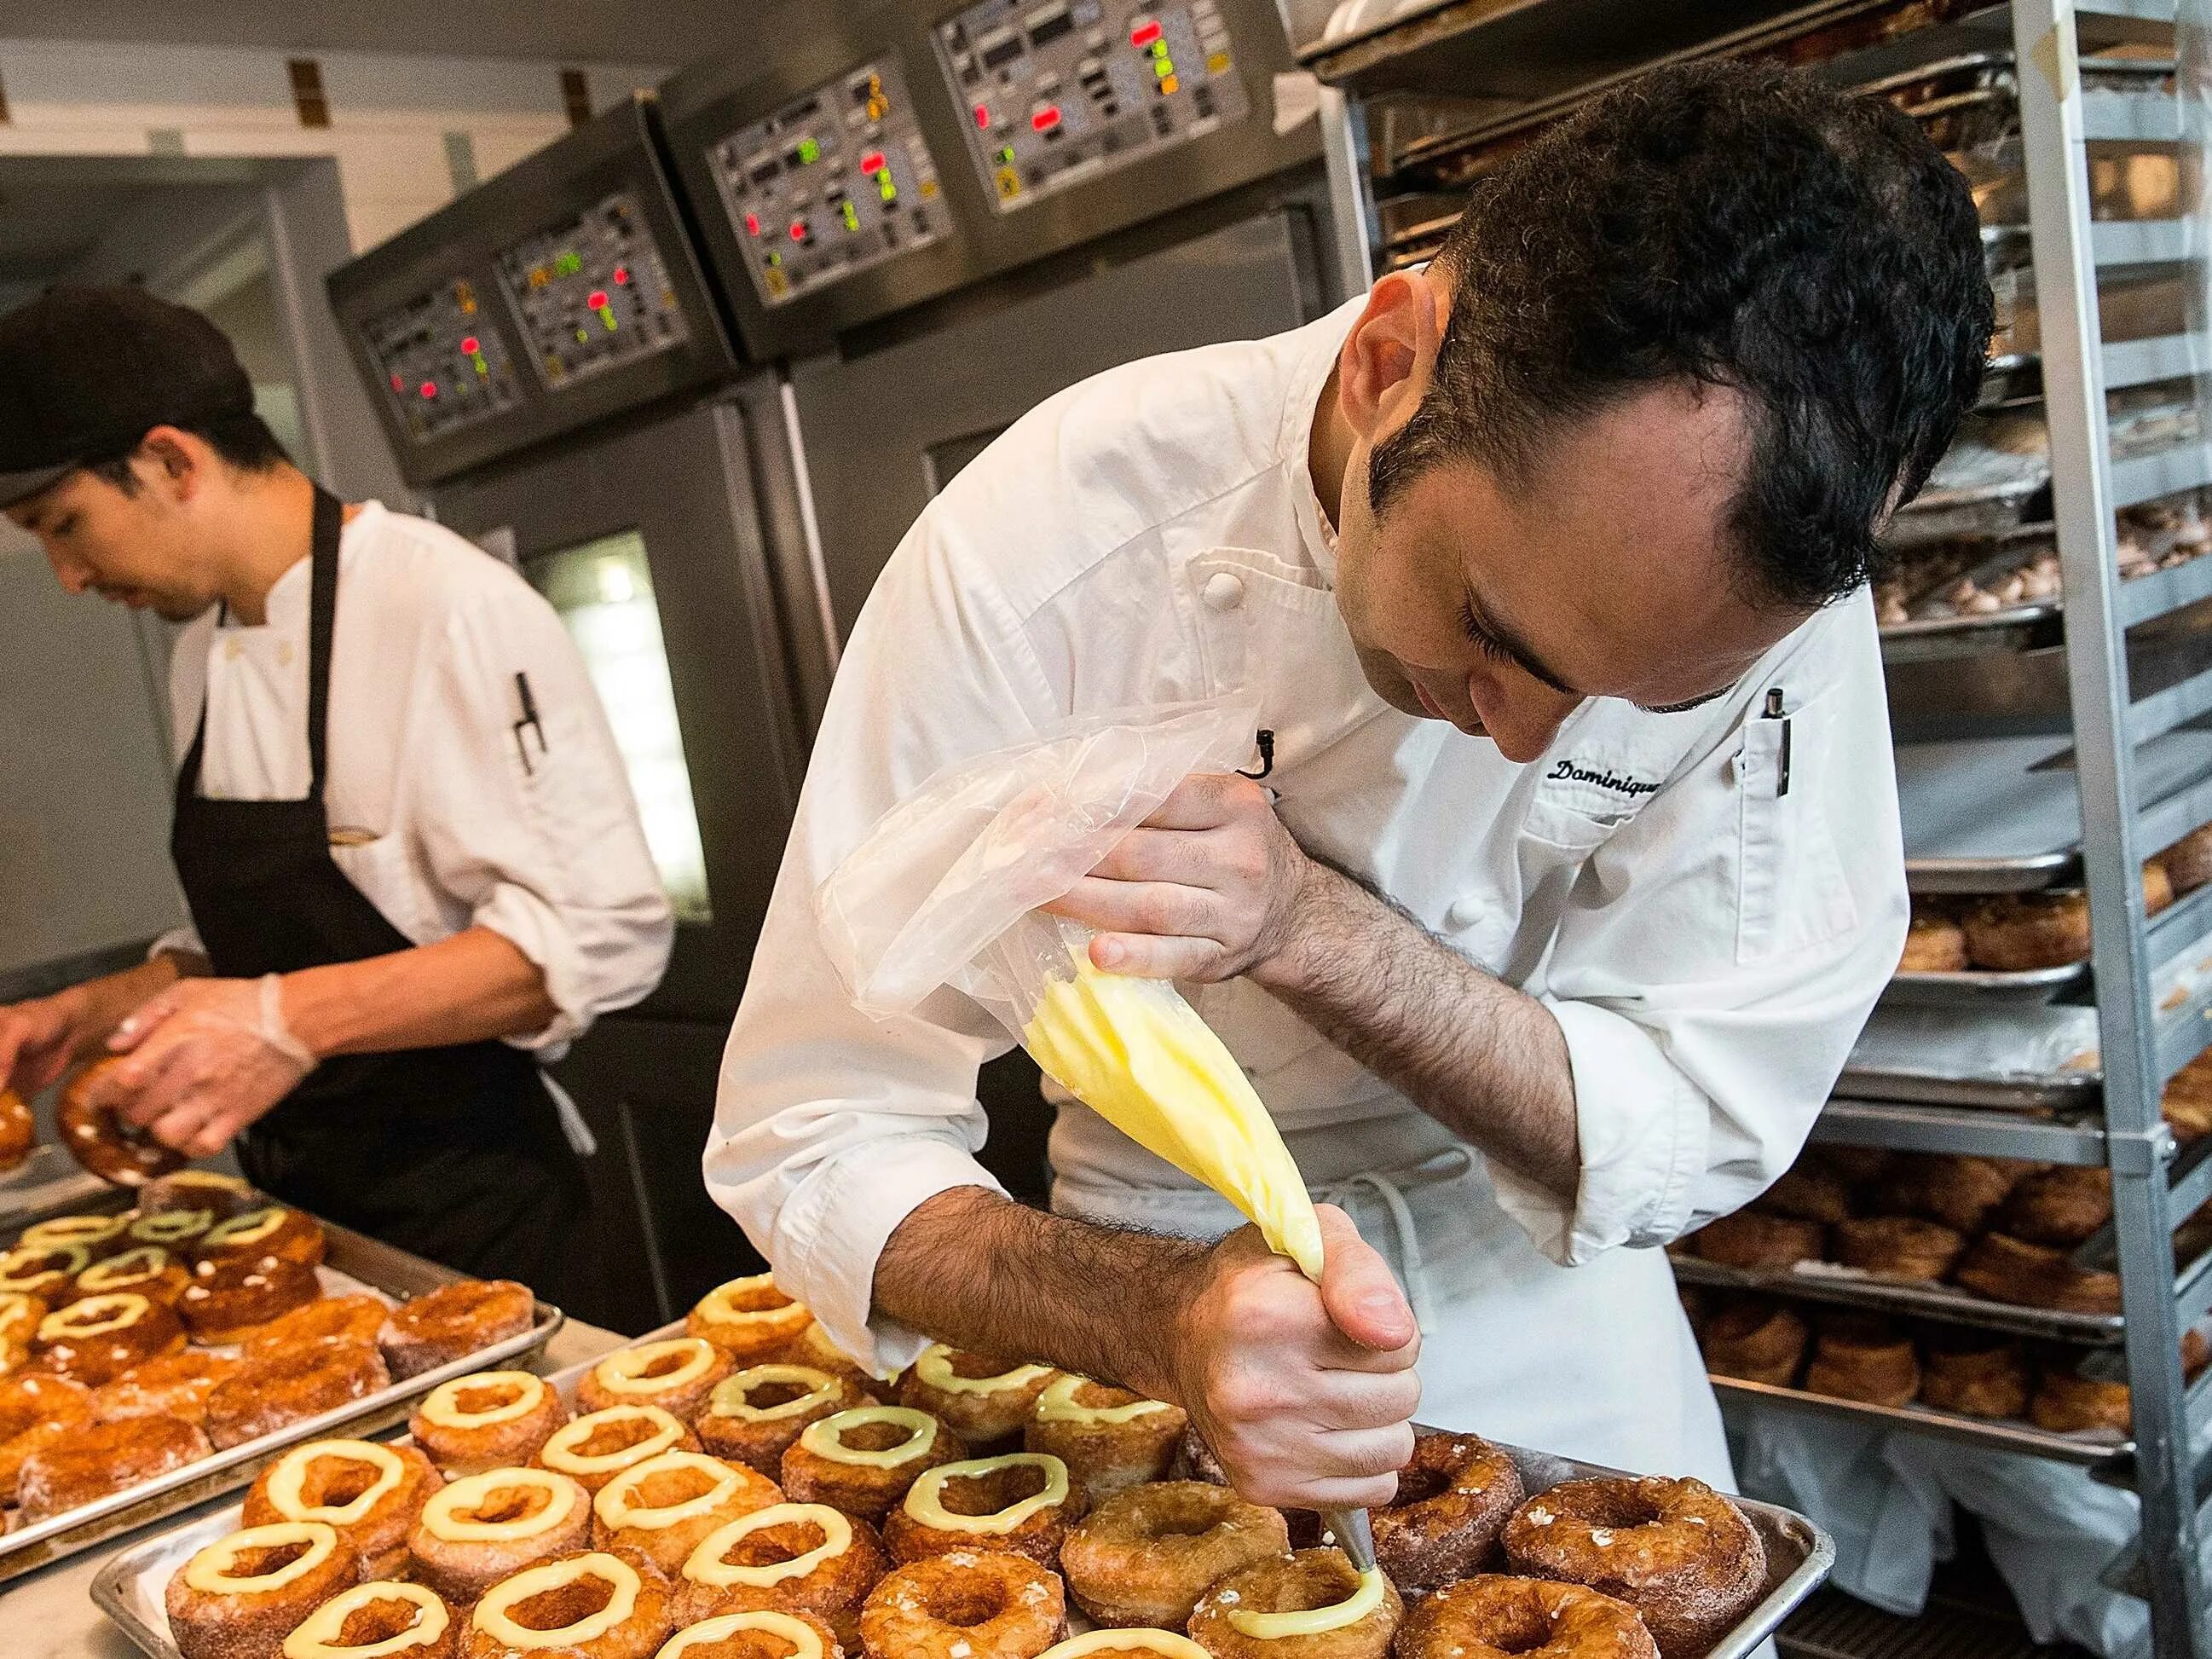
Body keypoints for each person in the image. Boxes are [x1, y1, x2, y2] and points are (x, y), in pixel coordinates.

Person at [710, 61, 1991, 1506]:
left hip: (1545, 1291)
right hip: (1154, 1267)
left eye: (1633, 706)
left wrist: (1310, 929)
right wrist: (1152, 1313)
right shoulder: (1049, 548)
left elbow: (1690, 1117)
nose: (1521, 740)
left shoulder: (1773, 609)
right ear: (1389, 364)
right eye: (1497, 637)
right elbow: (815, 1127)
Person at [0, 286, 673, 1307]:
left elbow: (595, 936)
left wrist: (283, 1019)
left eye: (65, 525)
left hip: (479, 1213)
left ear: (173, 461)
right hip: (304, 1214)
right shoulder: (204, 654)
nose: (67, 575)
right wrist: (84, 1014)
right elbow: (275, 931)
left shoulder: (444, 608)